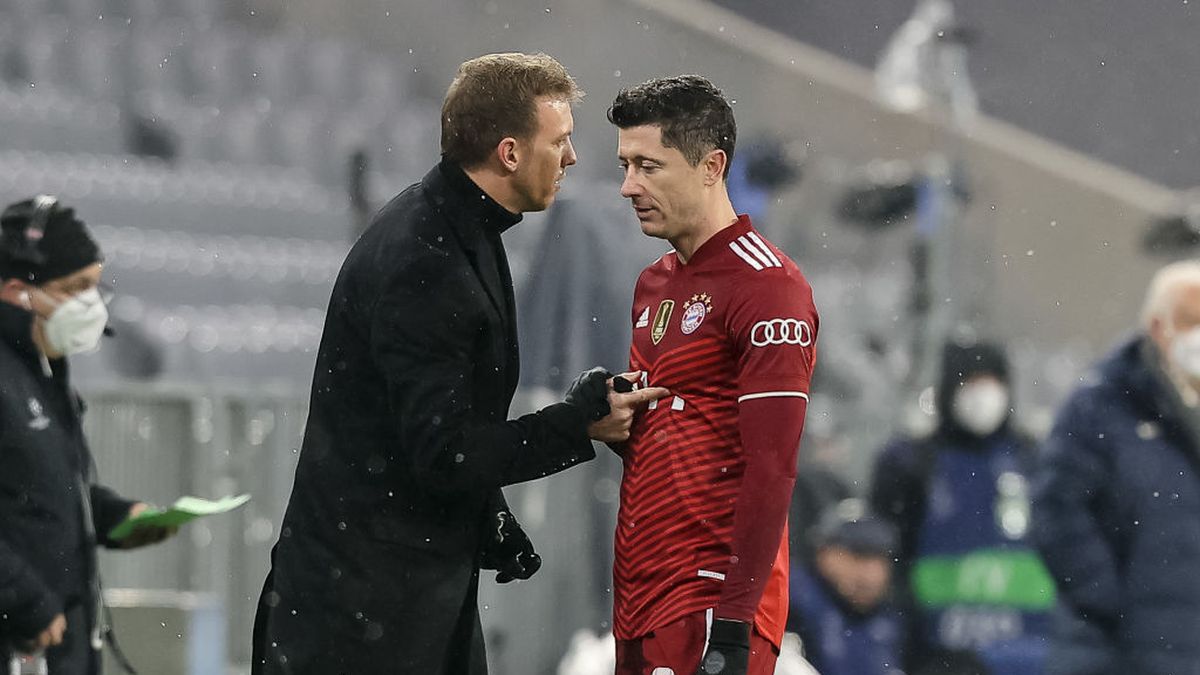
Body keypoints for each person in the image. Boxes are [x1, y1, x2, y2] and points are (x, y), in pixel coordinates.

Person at [251, 52, 665, 675]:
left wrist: (489, 513)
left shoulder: (458, 229)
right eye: (560, 141)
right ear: (509, 153)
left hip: (393, 596)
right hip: (362, 618)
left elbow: (433, 432)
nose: (573, 158)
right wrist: (576, 423)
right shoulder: (427, 260)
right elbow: (444, 453)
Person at [606, 75, 819, 675]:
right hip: (641, 597)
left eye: (649, 166)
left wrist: (734, 621)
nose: (629, 186)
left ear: (711, 165)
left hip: (710, 600)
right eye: (625, 165)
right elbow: (670, 434)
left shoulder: (769, 289)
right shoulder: (654, 283)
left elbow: (773, 466)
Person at [0, 195, 176, 675]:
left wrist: (118, 518)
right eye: (75, 288)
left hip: (62, 647)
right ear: (17, 291)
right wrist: (23, 600)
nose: (91, 304)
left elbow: (38, 491)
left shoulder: (43, 371)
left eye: (94, 288)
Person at [1032, 260, 1200, 675]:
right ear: (1158, 327)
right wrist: (1106, 598)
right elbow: (1056, 505)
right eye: (1191, 320)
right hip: (1115, 654)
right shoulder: (1103, 406)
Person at [870, 339, 1052, 675]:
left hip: (1033, 653)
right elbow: (888, 560)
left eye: (991, 382)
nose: (983, 396)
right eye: (971, 383)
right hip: (941, 652)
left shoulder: (1037, 461)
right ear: (950, 388)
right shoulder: (911, 464)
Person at [789, 499, 903, 675]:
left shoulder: (894, 616)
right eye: (859, 555)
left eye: (880, 558)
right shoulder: (790, 603)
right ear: (824, 552)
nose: (871, 574)